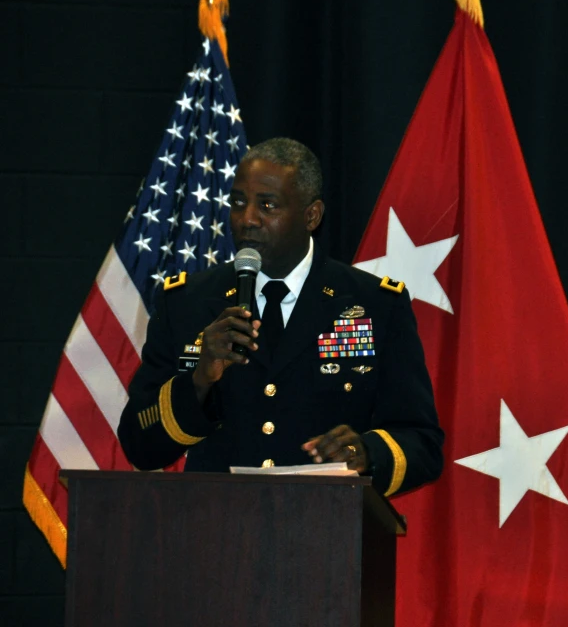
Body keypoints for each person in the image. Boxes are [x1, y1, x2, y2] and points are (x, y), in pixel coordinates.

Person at [118, 138, 443, 496]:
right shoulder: (187, 302)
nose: (247, 220)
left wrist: (369, 452)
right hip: (215, 531)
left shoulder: (375, 304)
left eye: (267, 205)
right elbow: (139, 445)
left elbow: (422, 442)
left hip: (328, 533)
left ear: (311, 216)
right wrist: (198, 380)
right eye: (238, 203)